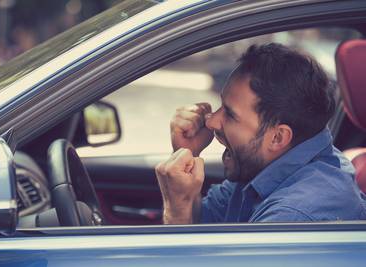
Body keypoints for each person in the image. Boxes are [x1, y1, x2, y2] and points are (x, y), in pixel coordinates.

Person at [155, 43, 366, 224]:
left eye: (229, 113)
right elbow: (207, 222)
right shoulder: (263, 165)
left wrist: (177, 209)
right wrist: (186, 155)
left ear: (277, 137)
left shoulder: (294, 216)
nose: (210, 120)